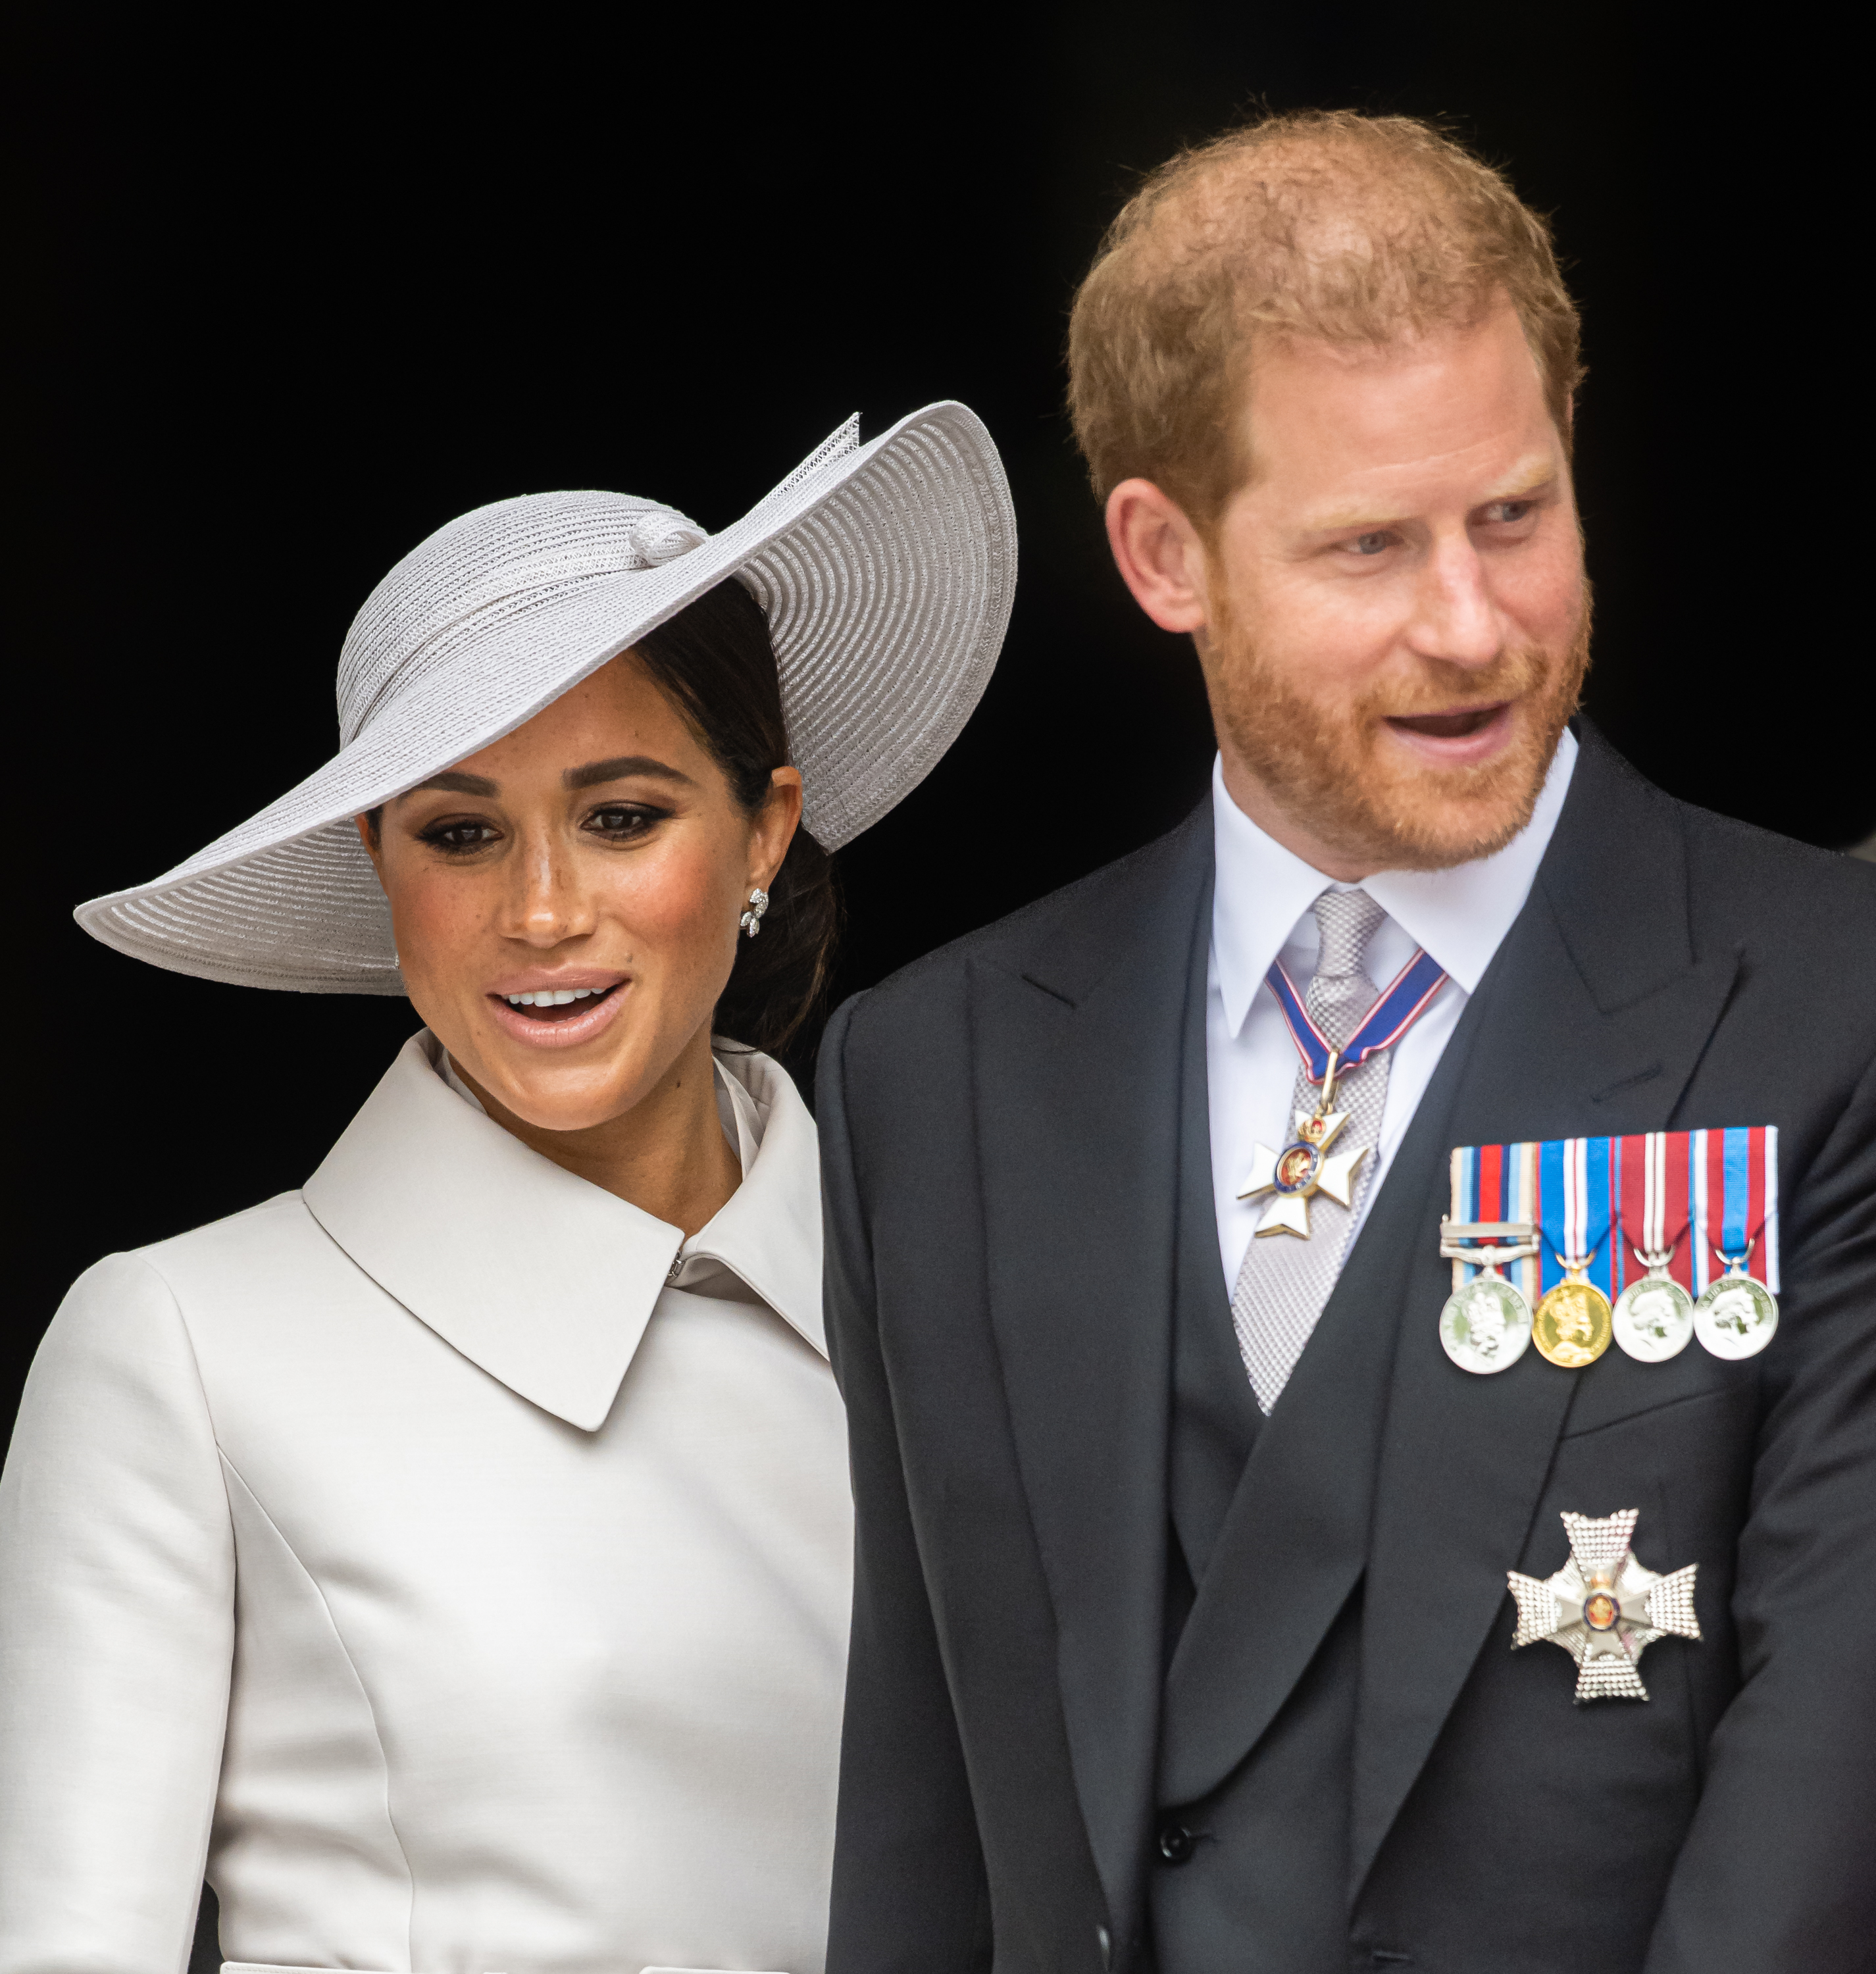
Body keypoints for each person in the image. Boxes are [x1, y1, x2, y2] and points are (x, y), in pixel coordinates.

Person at [817, 113, 1876, 1974]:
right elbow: (921, 1813)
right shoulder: (935, 1075)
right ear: (1163, 553)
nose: (1470, 626)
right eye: (1369, 544)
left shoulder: (1830, 996)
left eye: (1514, 515)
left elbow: (1835, 1772)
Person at [0, 403, 1015, 1972]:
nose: (541, 909)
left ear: (765, 831)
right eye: (462, 832)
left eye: (621, 818)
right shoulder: (181, 1350)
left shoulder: (960, 1312)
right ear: (378, 863)